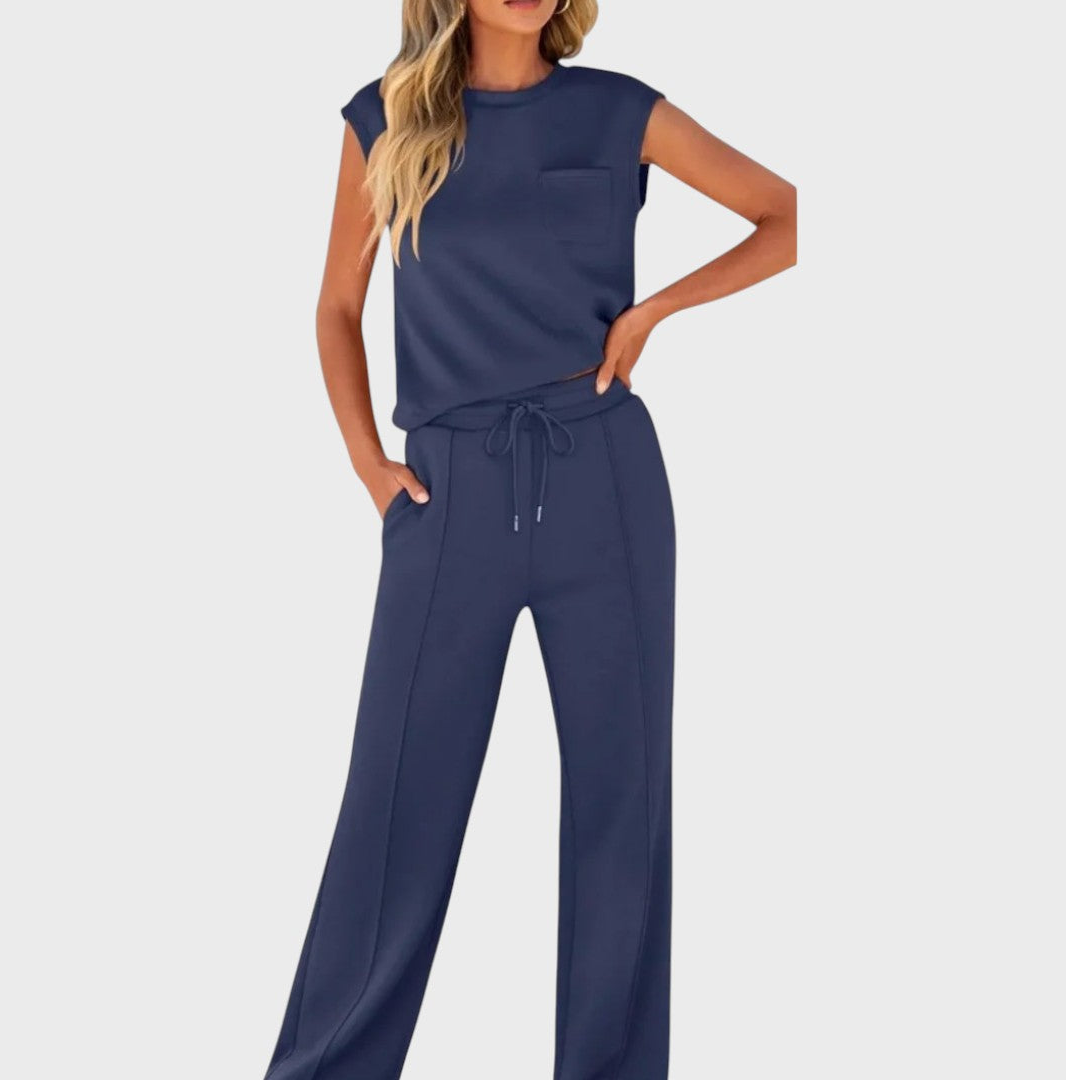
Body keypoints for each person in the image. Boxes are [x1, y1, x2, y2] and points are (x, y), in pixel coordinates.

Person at [263, 1, 796, 1077]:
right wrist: (368, 463)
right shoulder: (386, 121)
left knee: (621, 811)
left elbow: (787, 216)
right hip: (446, 490)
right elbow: (335, 307)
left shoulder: (620, 112)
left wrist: (653, 313)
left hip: (603, 475)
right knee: (394, 814)